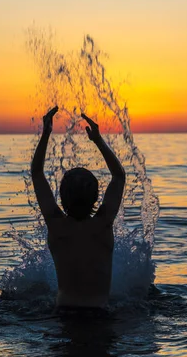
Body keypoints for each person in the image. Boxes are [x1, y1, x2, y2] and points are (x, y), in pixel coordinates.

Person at [31, 106, 125, 309]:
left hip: (64, 316)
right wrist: (98, 140)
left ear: (62, 198)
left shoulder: (56, 226)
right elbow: (119, 176)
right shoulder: (103, 224)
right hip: (101, 316)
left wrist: (46, 133)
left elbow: (37, 173)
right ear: (96, 198)